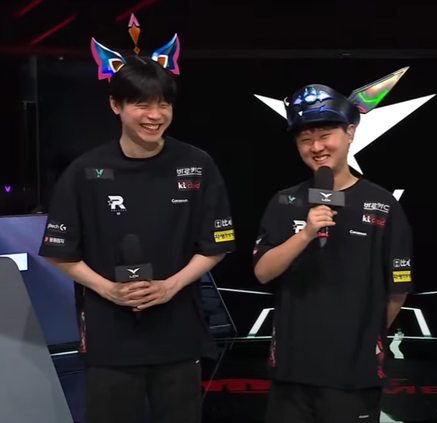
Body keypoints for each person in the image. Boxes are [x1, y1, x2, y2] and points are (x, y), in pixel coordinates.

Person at [38, 22, 235, 423]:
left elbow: (216, 244)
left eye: (163, 104)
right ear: (116, 106)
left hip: (178, 334)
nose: (155, 115)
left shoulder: (197, 164)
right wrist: (108, 289)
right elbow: (60, 252)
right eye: (142, 104)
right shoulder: (84, 171)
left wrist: (170, 286)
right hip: (110, 338)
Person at [252, 80, 414, 423]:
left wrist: (362, 337)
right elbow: (263, 271)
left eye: (325, 135)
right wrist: (306, 233)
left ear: (350, 133)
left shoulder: (383, 204)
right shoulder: (284, 201)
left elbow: (397, 290)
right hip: (291, 369)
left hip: (353, 372)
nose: (316, 147)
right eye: (305, 139)